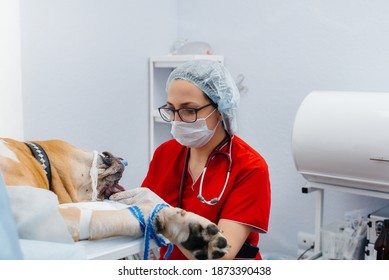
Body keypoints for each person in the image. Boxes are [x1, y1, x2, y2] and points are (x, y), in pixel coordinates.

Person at [112, 59, 271, 259]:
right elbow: (143, 218)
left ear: (220, 110)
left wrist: (166, 217)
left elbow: (219, 255)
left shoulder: (250, 167)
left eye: (189, 110)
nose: (177, 120)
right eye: (171, 109)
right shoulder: (165, 154)